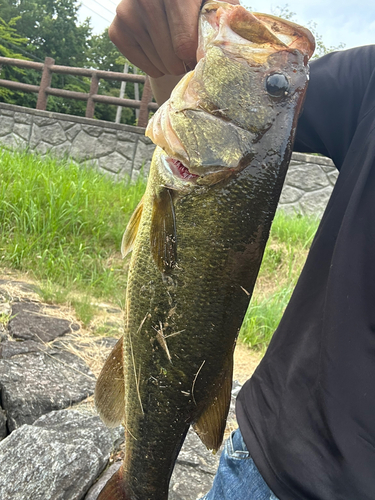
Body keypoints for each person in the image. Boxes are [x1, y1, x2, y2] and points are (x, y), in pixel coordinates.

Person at [109, 1, 375, 498]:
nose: (279, 80)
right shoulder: (371, 81)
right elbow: (234, 120)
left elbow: (242, 123)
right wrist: (169, 54)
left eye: (278, 85)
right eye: (279, 87)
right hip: (276, 460)